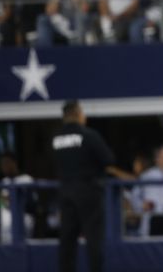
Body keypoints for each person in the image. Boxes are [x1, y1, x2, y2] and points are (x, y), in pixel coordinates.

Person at [52, 100, 133, 272]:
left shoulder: (56, 139)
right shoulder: (88, 135)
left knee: (67, 240)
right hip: (88, 191)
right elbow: (108, 159)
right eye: (82, 112)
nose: (84, 116)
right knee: (93, 239)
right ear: (76, 114)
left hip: (65, 192)